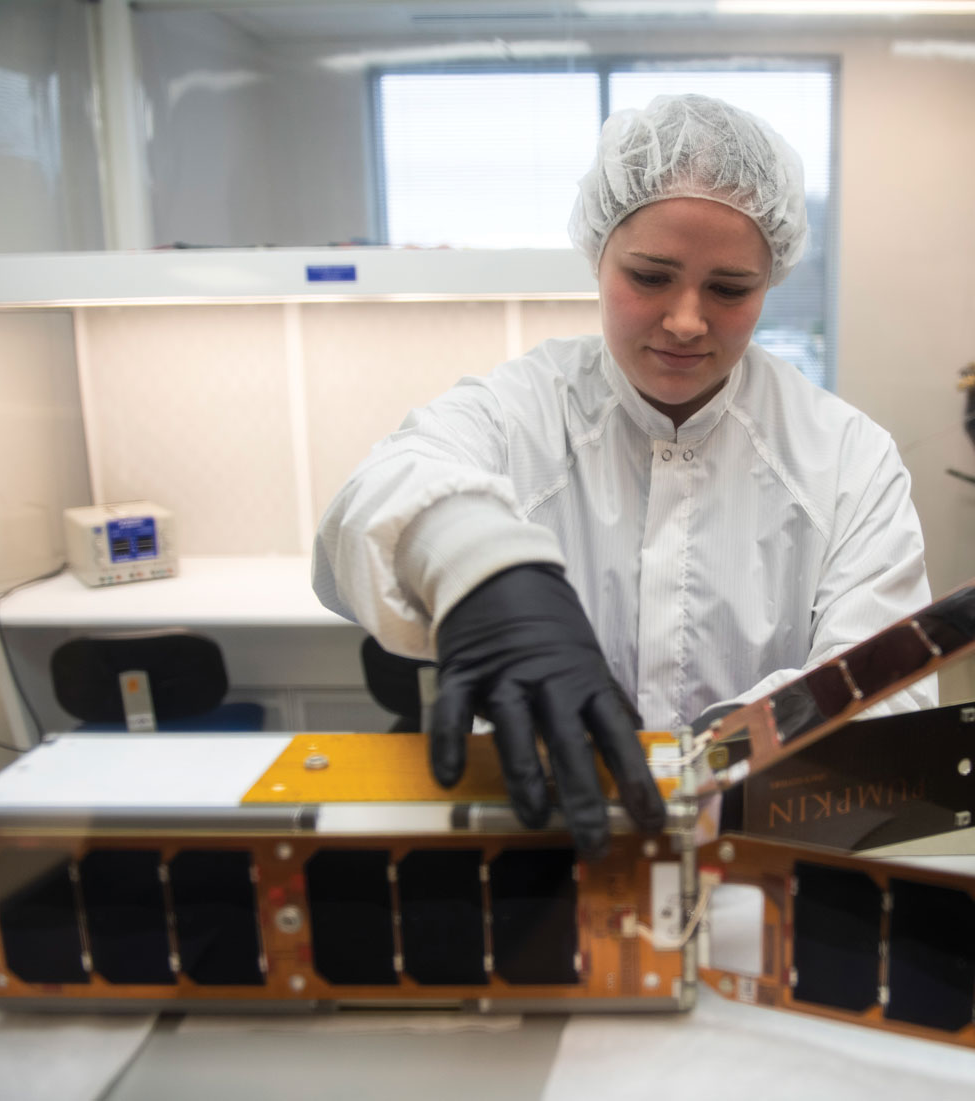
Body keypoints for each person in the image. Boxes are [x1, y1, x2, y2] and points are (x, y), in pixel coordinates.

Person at [313, 93, 935, 859]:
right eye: (649, 275)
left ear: (770, 281)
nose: (684, 320)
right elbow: (378, 492)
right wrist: (478, 566)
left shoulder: (846, 458)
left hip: (758, 853)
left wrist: (709, 755)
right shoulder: (519, 411)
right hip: (533, 848)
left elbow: (889, 694)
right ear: (598, 256)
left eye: (729, 289)